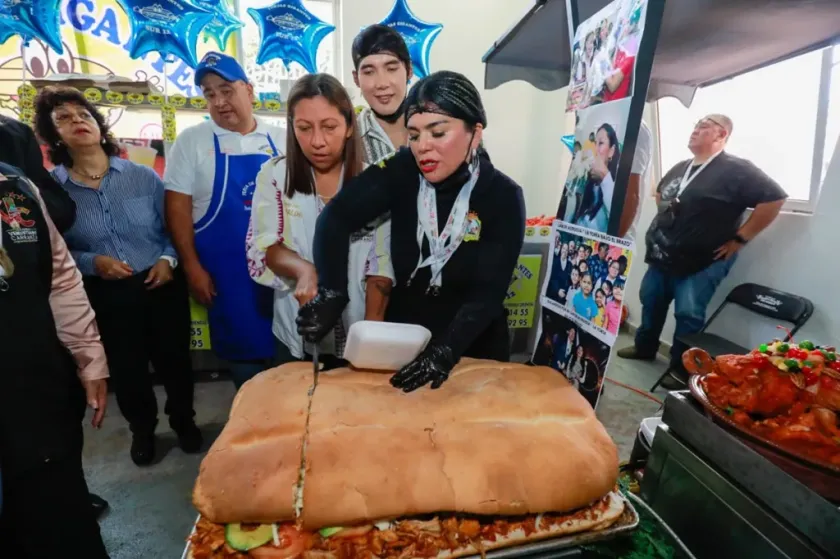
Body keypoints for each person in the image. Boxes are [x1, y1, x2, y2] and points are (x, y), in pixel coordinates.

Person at [297, 71, 526, 392]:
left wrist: (445, 351)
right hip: (405, 340)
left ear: (475, 134)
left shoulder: (501, 195)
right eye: (415, 135)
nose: (423, 147)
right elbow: (335, 218)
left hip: (472, 346)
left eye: (438, 132)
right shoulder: (402, 170)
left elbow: (486, 296)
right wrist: (332, 291)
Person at [35, 87, 201, 466]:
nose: (77, 121)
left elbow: (174, 227)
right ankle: (142, 431)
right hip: (107, 294)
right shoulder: (53, 191)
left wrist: (167, 258)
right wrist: (94, 262)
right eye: (64, 118)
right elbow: (55, 254)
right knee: (127, 370)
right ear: (52, 134)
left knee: (175, 362)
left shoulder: (142, 176)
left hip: (159, 284)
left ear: (98, 125)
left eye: (83, 114)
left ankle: (184, 422)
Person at [617, 114, 786, 387]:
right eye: (696, 126)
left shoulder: (737, 170)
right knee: (651, 300)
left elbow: (775, 199)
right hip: (662, 255)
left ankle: (680, 369)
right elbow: (661, 194)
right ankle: (644, 347)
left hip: (703, 261)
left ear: (722, 136)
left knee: (688, 313)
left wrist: (741, 238)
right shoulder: (681, 167)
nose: (696, 130)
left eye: (704, 127)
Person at [0, 115, 108, 517]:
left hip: (36, 389)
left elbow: (60, 278)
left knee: (59, 512)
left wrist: (88, 357)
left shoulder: (17, 188)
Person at [247, 74, 388, 370]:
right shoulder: (274, 175)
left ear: (349, 126)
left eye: (329, 127)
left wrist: (372, 340)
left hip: (357, 331)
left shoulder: (375, 182)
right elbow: (267, 245)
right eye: (304, 128)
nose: (318, 141)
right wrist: (304, 271)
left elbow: (381, 268)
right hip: (295, 331)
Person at [164, 52, 286, 388]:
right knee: (246, 369)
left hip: (282, 272)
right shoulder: (191, 142)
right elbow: (177, 209)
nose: (219, 101)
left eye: (226, 89)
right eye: (209, 93)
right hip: (227, 277)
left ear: (249, 90)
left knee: (288, 358)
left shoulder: (282, 136)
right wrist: (191, 267)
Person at [350, 24, 412, 321]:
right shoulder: (348, 140)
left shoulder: (438, 127)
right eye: (369, 71)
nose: (382, 83)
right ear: (356, 79)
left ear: (408, 71)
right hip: (368, 292)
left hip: (429, 286)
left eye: (391, 67)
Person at [0, 114, 76, 232]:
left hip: (21, 237)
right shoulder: (16, 131)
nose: (77, 120)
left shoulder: (16, 132)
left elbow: (60, 211)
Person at [575, 123, 620, 231]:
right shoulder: (590, 183)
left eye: (600, 143)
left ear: (611, 151)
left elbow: (617, 221)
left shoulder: (617, 186)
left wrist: (605, 176)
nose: (594, 150)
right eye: (594, 143)